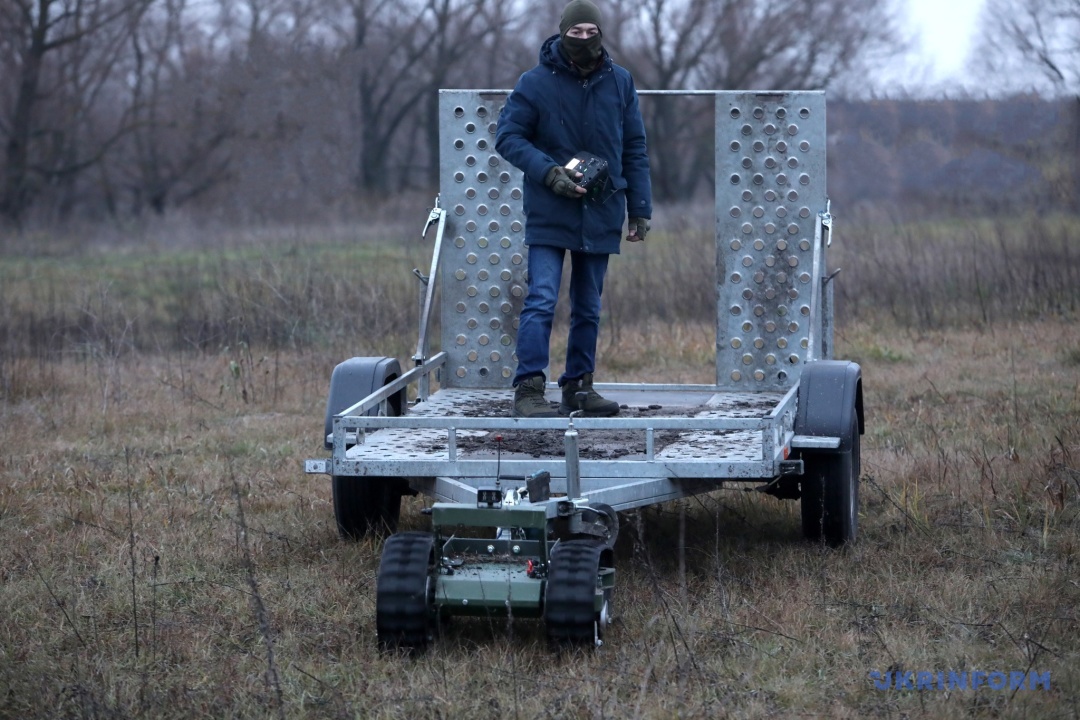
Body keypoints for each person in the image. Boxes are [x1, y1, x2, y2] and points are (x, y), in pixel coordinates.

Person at [495, 0, 652, 419]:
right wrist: (549, 174)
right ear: (561, 33)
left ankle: (579, 387)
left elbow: (634, 146)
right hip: (550, 208)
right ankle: (528, 389)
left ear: (601, 33)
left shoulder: (620, 82)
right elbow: (508, 137)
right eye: (575, 32)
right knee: (542, 298)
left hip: (602, 209)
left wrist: (639, 208)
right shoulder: (534, 83)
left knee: (589, 305)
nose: (583, 39)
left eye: (590, 32)